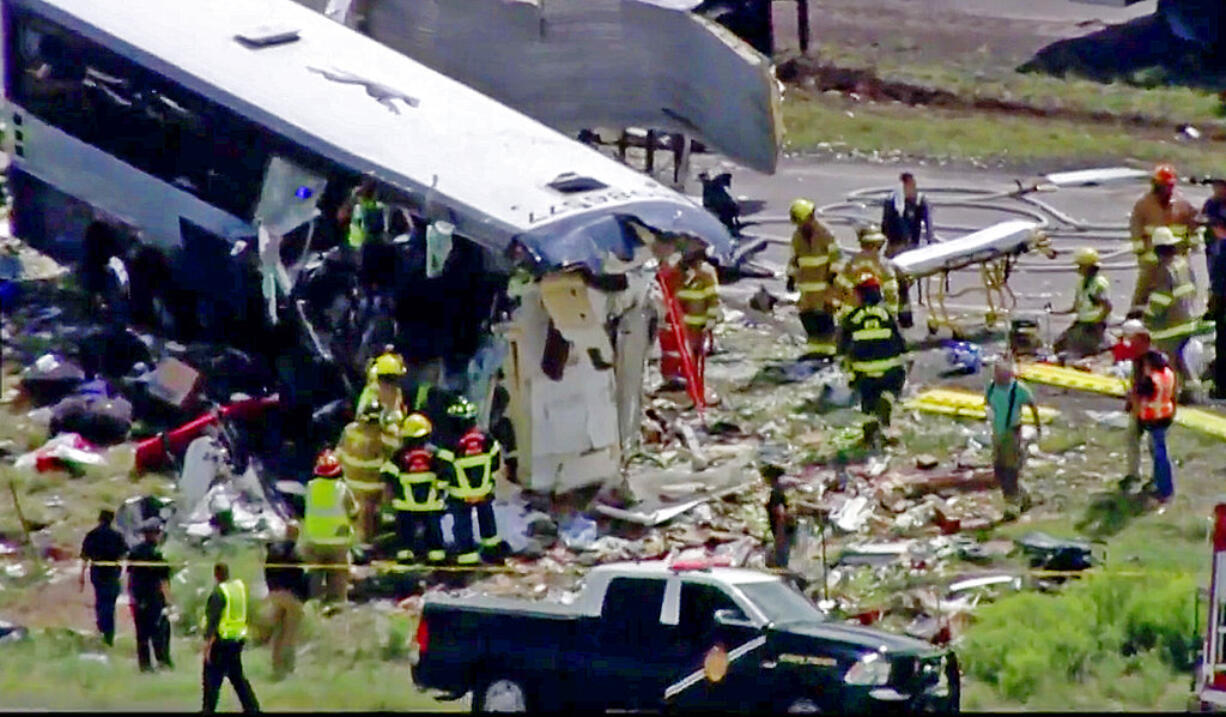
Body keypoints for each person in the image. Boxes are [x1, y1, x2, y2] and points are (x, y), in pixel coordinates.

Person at [1137, 227, 1201, 402]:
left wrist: (1146, 316)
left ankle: (1170, 395)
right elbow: (1193, 289)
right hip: (1188, 320)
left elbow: (1160, 299)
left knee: (1169, 361)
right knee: (1180, 358)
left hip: (1171, 326)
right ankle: (1192, 392)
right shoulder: (1183, 264)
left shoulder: (1165, 269)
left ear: (1158, 249)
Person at [838, 274, 907, 433]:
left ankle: (870, 430)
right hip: (890, 370)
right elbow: (901, 343)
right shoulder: (886, 314)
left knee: (867, 400)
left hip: (864, 373)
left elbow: (842, 347)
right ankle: (888, 400)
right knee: (894, 386)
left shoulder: (852, 318)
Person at [382, 412, 454, 565]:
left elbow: (386, 472)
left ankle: (405, 557)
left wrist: (398, 489)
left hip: (406, 504)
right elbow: (447, 470)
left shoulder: (400, 455)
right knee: (433, 532)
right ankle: (437, 558)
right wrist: (440, 491)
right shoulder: (433, 452)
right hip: (431, 503)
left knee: (405, 532)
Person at [443, 398, 503, 565]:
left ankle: (467, 557)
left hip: (460, 495)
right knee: (487, 521)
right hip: (484, 491)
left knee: (463, 525)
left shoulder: (450, 443)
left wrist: (441, 487)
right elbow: (496, 461)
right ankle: (492, 552)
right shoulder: (486, 439)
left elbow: (444, 469)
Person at [299, 450, 359, 605]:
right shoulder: (342, 489)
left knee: (315, 575)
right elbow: (354, 512)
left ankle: (314, 604)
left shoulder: (310, 487)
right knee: (338, 575)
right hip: (338, 542)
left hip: (314, 540)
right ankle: (337, 604)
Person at [337, 398, 398, 544]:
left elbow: (338, 453)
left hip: (351, 484)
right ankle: (365, 544)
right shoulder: (384, 436)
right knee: (369, 516)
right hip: (372, 486)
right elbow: (396, 449)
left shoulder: (350, 431)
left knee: (358, 516)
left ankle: (359, 543)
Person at [787, 199, 842, 360]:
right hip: (806, 291)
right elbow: (794, 259)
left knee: (825, 322)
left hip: (824, 288)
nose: (801, 226)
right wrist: (790, 277)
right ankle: (814, 353)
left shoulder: (825, 234)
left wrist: (833, 278)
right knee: (809, 321)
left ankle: (829, 354)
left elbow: (836, 258)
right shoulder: (797, 237)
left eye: (802, 222)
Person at [201, 562, 260, 714]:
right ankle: (252, 708)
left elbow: (212, 623)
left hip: (221, 641)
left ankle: (208, 709)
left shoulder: (218, 593)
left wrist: (207, 647)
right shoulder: (237, 589)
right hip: (237, 639)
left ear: (216, 575)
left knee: (212, 678)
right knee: (237, 677)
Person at [984, 360, 1041, 508]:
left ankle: (1014, 502)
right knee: (998, 469)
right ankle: (1021, 496)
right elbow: (988, 403)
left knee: (1010, 470)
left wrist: (1037, 426)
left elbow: (1032, 404)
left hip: (1011, 432)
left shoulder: (1018, 389)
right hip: (997, 432)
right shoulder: (991, 387)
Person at [881, 172, 933, 328]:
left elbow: (928, 224)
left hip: (907, 246)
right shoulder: (893, 201)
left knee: (901, 283)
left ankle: (902, 316)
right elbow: (886, 223)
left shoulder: (917, 201)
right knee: (898, 283)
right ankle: (902, 316)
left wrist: (929, 244)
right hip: (898, 245)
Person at [1127, 349, 1177, 507]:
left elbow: (1141, 394)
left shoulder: (1151, 379)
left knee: (1159, 455)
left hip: (1154, 418)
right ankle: (1159, 483)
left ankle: (1164, 489)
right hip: (1166, 415)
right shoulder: (1168, 374)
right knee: (1159, 453)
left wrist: (1131, 394)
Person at [1129, 163, 1199, 271]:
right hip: (1152, 258)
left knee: (1185, 286)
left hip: (1178, 256)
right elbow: (1136, 225)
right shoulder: (1144, 204)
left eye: (1168, 186)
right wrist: (1139, 248)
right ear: (1155, 184)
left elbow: (1192, 221)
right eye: (1162, 186)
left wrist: (1193, 241)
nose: (1165, 189)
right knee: (1148, 286)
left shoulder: (1181, 203)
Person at [127, 519, 173, 672]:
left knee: (142, 635)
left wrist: (132, 597)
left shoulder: (134, 552)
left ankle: (145, 665)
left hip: (138, 598)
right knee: (159, 632)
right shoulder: (157, 554)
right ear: (154, 534)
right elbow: (164, 580)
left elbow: (130, 577)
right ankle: (162, 661)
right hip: (154, 598)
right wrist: (169, 601)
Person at [674, 245, 720, 399]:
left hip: (698, 327)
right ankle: (689, 390)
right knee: (684, 360)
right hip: (681, 327)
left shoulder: (706, 275)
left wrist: (710, 322)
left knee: (696, 360)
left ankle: (697, 391)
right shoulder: (678, 274)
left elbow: (713, 300)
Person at [263, 526, 307, 680]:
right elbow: (300, 576)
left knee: (279, 630)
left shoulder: (273, 549)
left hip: (274, 593)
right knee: (291, 632)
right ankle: (289, 668)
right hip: (289, 594)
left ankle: (276, 666)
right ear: (296, 534)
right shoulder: (295, 551)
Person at [1053, 247, 1113, 360]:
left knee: (1082, 351)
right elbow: (1077, 306)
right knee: (1060, 344)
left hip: (1093, 326)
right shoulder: (1081, 283)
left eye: (1080, 266)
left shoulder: (1098, 284)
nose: (1078, 269)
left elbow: (1107, 306)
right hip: (1082, 323)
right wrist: (1056, 313)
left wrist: (1098, 320)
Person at [79, 509, 127, 647]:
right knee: (110, 604)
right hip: (112, 573)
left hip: (98, 573)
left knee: (100, 602)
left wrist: (81, 576)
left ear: (99, 519)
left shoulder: (92, 535)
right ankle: (108, 634)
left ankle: (101, 629)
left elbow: (84, 557)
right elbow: (123, 555)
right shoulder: (117, 536)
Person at [1117, 320, 1153, 491]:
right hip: (1139, 407)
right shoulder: (1137, 359)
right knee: (1131, 439)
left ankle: (1156, 478)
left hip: (1152, 409)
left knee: (1154, 445)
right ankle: (1133, 474)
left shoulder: (1152, 361)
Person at [836, 227, 902, 318]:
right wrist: (891, 316)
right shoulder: (884, 266)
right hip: (878, 317)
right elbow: (892, 293)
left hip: (853, 318)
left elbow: (840, 288)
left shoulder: (852, 264)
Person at [355, 348, 407, 423]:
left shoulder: (397, 393)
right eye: (387, 379)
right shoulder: (371, 398)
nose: (392, 385)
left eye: (395, 379)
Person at [762, 464, 794, 569]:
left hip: (782, 533)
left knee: (781, 562)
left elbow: (780, 515)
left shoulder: (776, 493)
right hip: (787, 532)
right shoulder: (783, 491)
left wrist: (780, 536)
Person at [1200, 177, 1226, 284]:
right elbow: (1206, 220)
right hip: (1214, 248)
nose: (1216, 189)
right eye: (1215, 186)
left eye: (1221, 186)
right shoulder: (1210, 204)